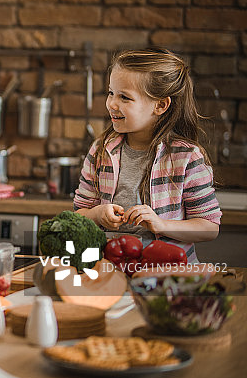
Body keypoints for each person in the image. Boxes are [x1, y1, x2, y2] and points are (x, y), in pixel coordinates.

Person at [74, 47, 221, 264]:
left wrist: (161, 225)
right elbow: (78, 215)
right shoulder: (100, 151)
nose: (112, 103)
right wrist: (96, 214)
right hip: (112, 272)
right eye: (111, 93)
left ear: (160, 105)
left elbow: (209, 227)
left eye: (124, 97)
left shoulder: (187, 157)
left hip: (170, 276)